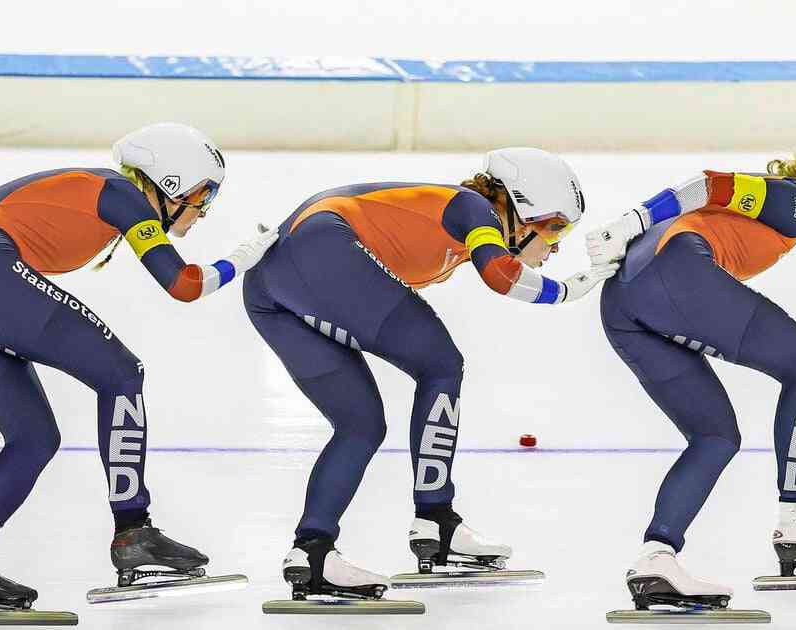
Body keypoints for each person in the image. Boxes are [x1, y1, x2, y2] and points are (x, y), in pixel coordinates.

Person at [0, 122, 278, 612]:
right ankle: (133, 530)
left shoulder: (87, 188)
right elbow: (184, 285)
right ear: (169, 184)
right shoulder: (125, 196)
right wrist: (242, 259)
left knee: (34, 438)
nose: (203, 209)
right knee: (122, 375)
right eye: (202, 195)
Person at [243, 147, 617, 600]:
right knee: (441, 365)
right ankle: (436, 519)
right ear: (518, 208)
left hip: (268, 286)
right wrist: (573, 288)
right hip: (320, 249)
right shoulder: (473, 208)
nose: (557, 244)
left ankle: (313, 551)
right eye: (556, 226)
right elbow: (502, 276)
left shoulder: (460, 222)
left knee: (360, 426)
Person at [586, 126, 796, 610]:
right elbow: (710, 184)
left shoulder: (791, 205)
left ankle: (656, 558)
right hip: (677, 277)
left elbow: (709, 200)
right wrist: (632, 219)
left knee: (715, 437)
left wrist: (634, 230)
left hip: (623, 305)